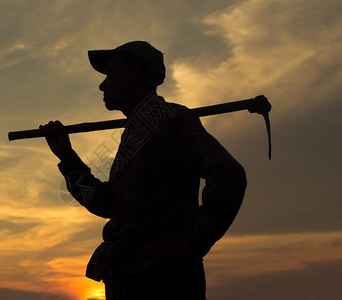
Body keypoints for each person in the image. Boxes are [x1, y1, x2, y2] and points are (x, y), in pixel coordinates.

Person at [43, 41, 247, 300]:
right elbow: (107, 204)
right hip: (129, 279)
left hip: (163, 280)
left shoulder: (173, 120)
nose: (102, 85)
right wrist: (67, 156)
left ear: (133, 71)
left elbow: (229, 174)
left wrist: (192, 242)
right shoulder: (135, 132)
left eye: (110, 74)